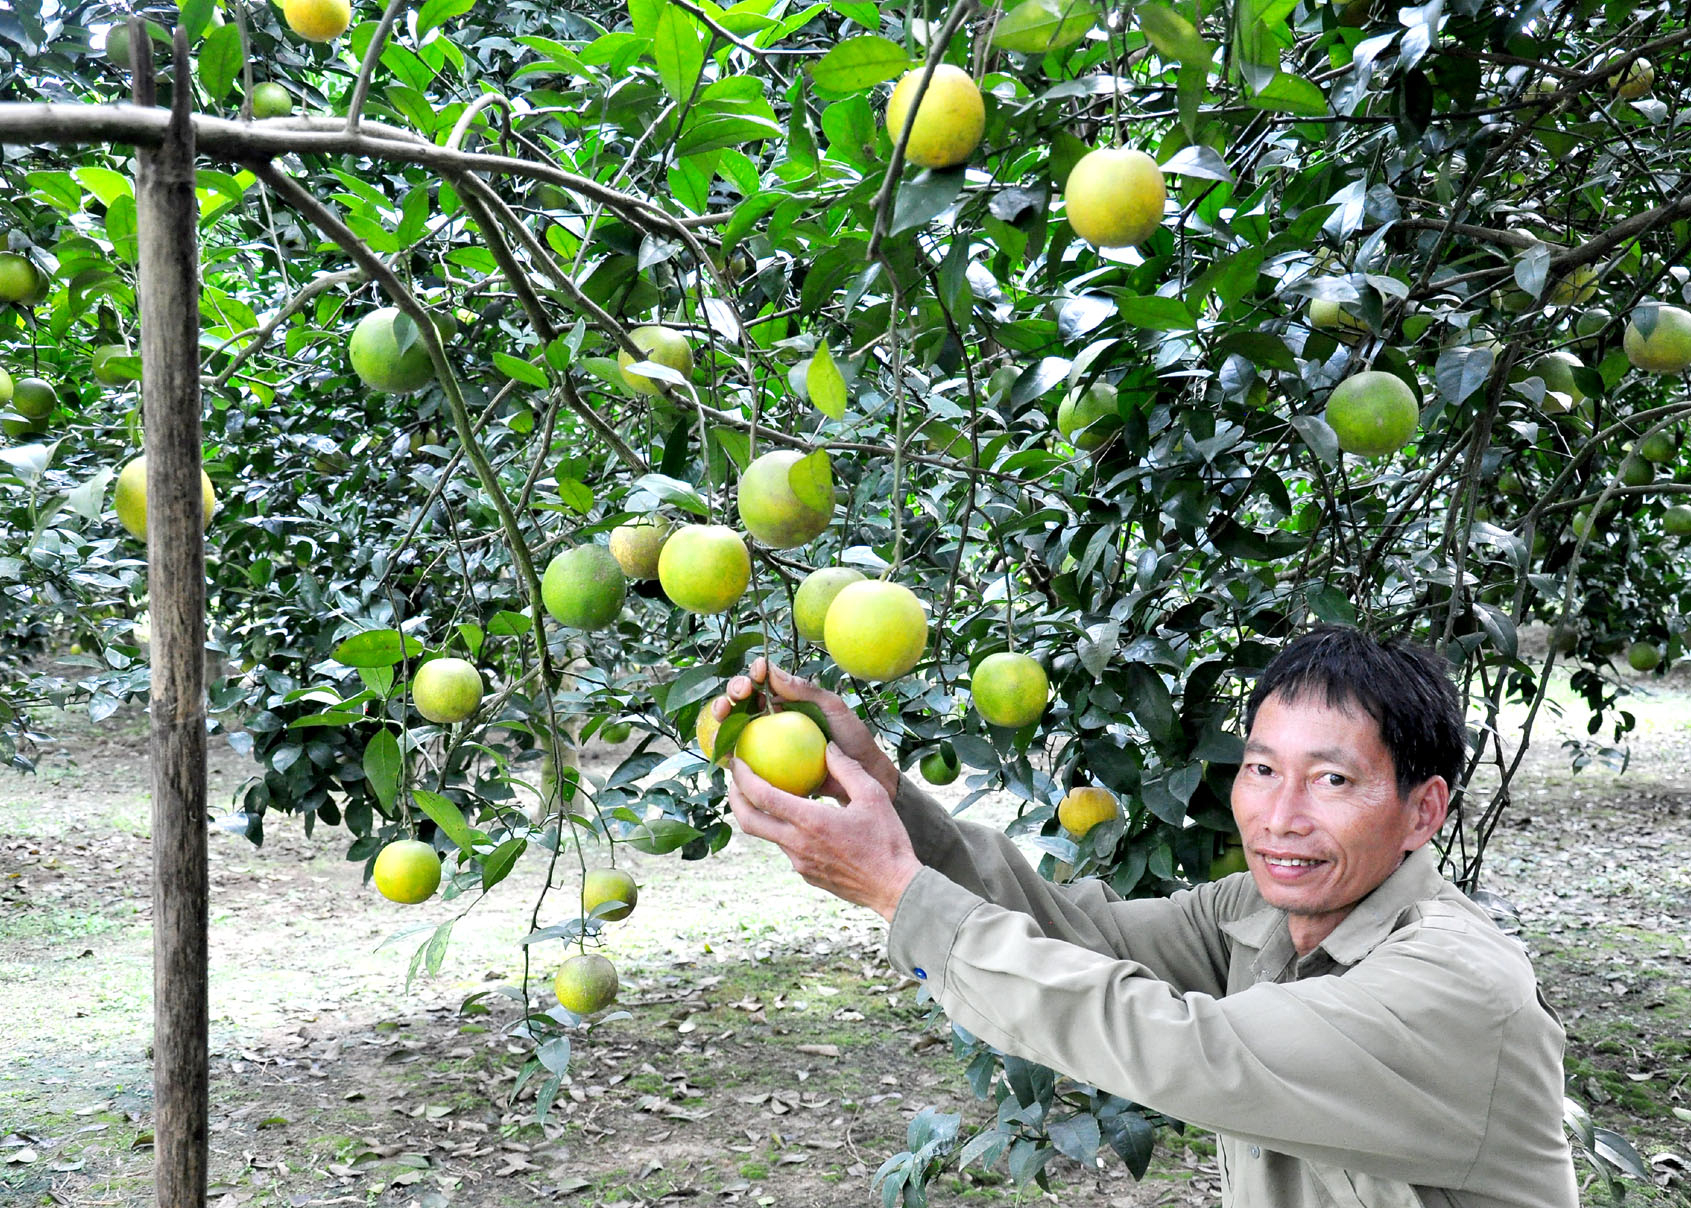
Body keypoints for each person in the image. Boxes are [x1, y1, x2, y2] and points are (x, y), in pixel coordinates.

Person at [713, 626, 1578, 1208]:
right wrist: (890, 803)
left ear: (1424, 812)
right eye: (1261, 770)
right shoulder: (1264, 915)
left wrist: (896, 892)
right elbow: (1078, 936)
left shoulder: (1456, 987)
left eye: (1333, 780)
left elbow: (1182, 1048)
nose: (1279, 818)